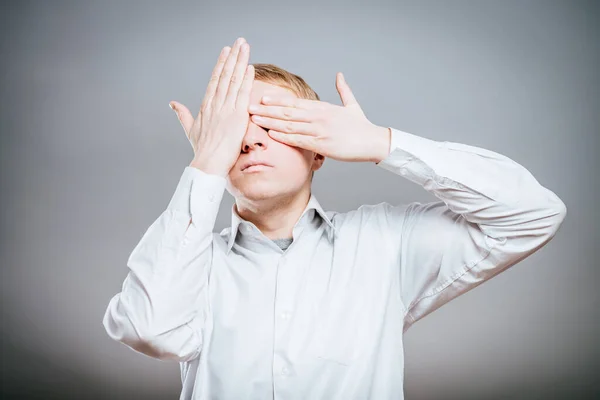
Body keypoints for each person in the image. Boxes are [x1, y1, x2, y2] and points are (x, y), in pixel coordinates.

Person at [102, 37, 567, 399]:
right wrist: (203, 166)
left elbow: (533, 214)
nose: (250, 141)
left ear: (319, 150)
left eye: (275, 124)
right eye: (233, 130)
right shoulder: (190, 265)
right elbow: (146, 328)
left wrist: (383, 143)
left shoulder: (386, 243)